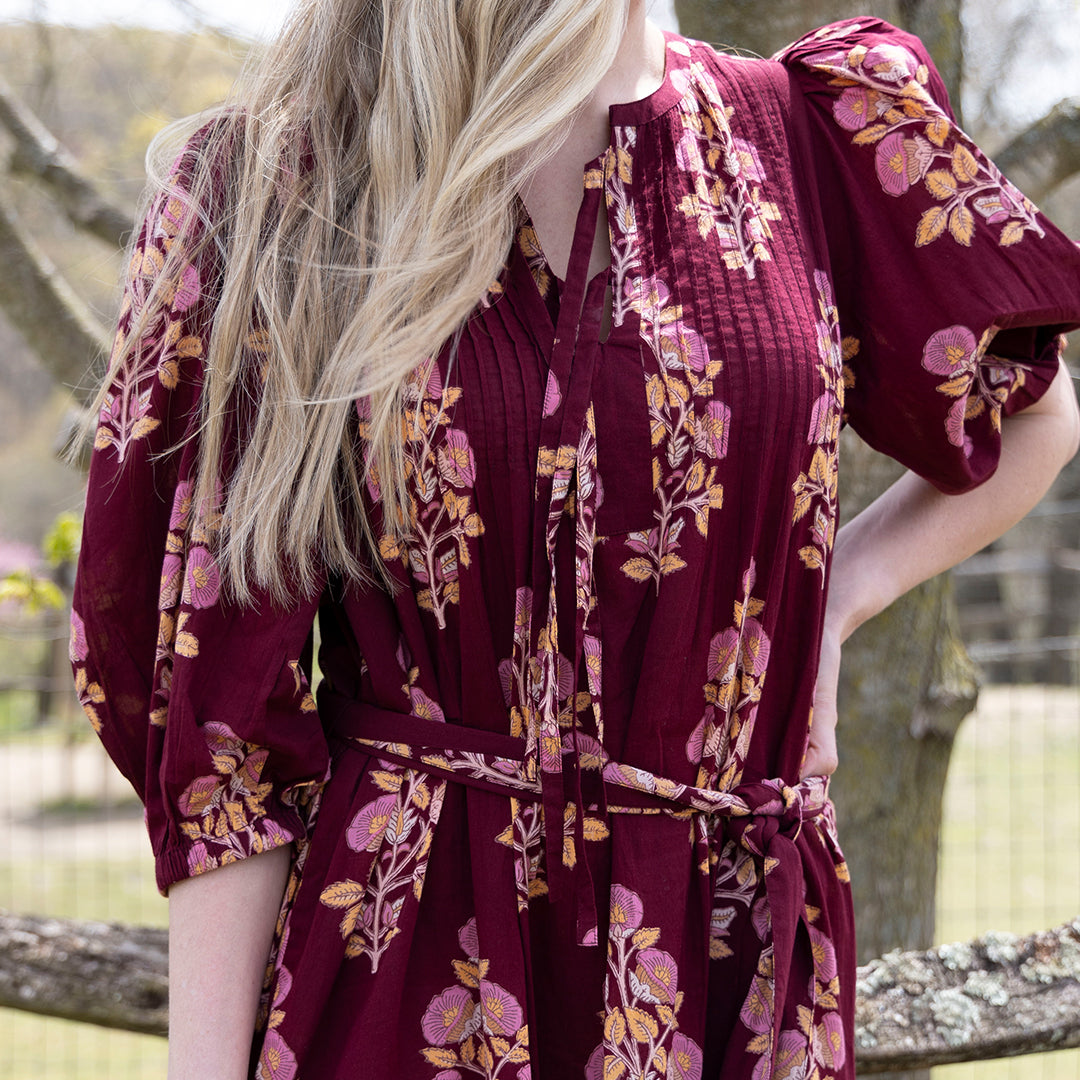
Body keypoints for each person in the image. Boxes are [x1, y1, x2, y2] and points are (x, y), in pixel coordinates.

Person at [71, 1, 1080, 1077]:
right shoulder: (286, 184)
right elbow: (223, 748)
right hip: (408, 978)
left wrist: (835, 601)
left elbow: (1031, 414)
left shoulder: (808, 138)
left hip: (727, 969)